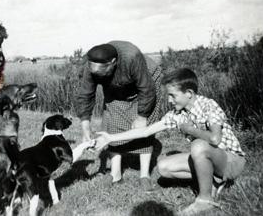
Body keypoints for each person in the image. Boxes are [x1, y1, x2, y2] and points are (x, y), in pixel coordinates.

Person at [95, 68, 246, 215]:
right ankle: (213, 181)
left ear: (189, 93)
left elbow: (215, 138)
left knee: (198, 145)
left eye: (173, 95)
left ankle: (205, 201)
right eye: (168, 96)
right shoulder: (177, 114)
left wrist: (190, 130)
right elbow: (145, 131)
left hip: (231, 162)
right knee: (163, 167)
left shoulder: (208, 105)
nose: (169, 100)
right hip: (211, 158)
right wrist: (111, 137)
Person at [75, 41, 163, 191]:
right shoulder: (92, 66)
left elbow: (146, 89)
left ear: (113, 62)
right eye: (94, 73)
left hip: (147, 80)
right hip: (116, 84)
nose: (97, 76)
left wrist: (142, 117)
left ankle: (144, 175)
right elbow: (85, 94)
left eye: (100, 73)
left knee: (143, 129)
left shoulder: (132, 57)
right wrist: (85, 126)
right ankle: (115, 174)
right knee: (112, 119)